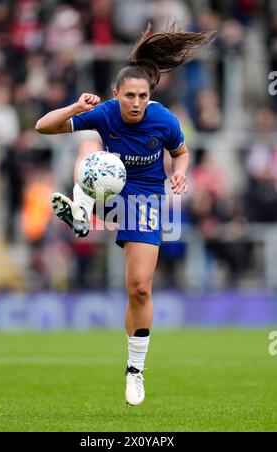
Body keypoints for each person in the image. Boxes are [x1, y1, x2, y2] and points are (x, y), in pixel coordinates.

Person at [35, 23, 212, 406]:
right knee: (87, 145)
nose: (136, 102)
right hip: (109, 190)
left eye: (142, 96)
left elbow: (181, 154)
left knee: (140, 288)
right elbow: (41, 126)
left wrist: (179, 174)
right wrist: (77, 108)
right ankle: (80, 212)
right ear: (116, 94)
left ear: (150, 96)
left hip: (145, 201)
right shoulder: (105, 112)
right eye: (129, 95)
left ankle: (135, 370)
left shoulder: (164, 119)